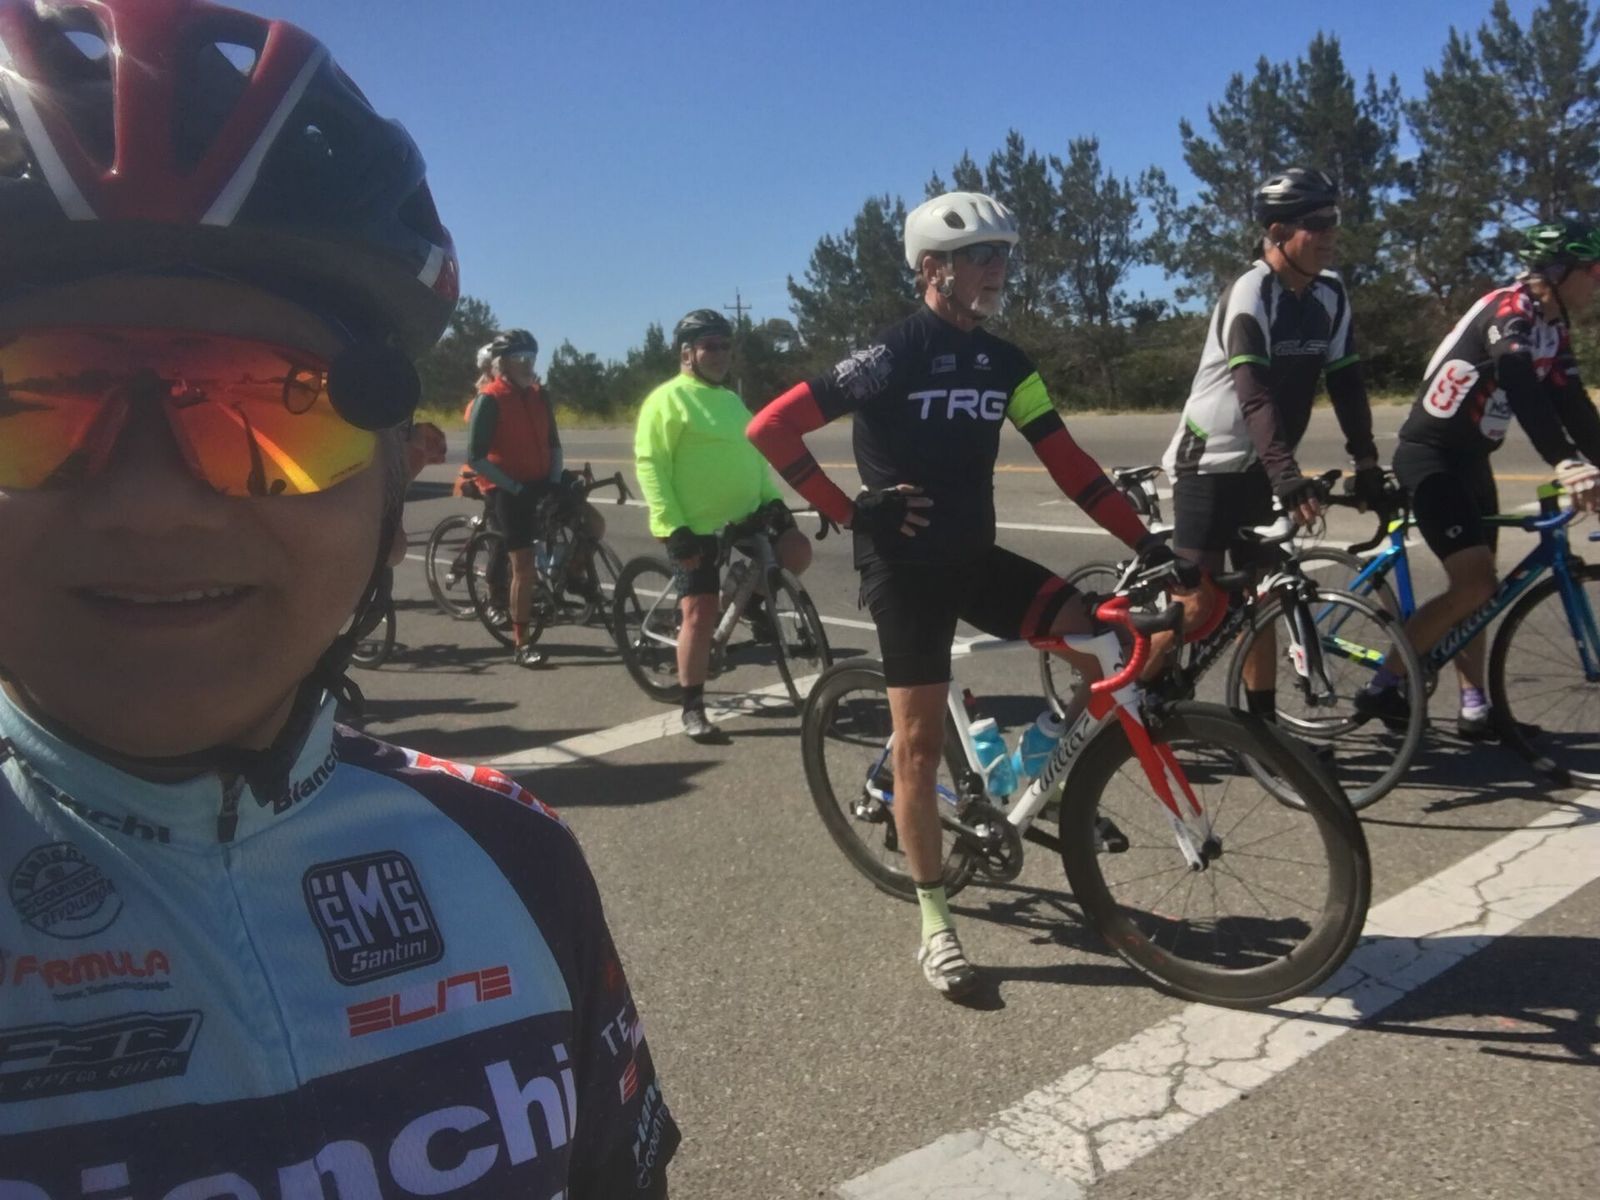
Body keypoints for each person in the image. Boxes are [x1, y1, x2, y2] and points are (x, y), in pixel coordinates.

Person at [0, 2, 678, 1192]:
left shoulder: (516, 857)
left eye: (278, 407)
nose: (152, 508)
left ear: (386, 491)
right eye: (34, 404)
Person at [747, 192, 1164, 999]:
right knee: (919, 743)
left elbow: (1068, 462)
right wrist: (849, 511)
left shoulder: (1007, 364)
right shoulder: (890, 354)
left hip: (973, 557)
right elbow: (770, 427)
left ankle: (1039, 763)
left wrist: (1145, 542)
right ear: (932, 268)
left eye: (1003, 253)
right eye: (981, 255)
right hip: (905, 570)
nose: (997, 268)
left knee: (1106, 647)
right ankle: (935, 922)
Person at [1160, 168, 1384, 732]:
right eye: (1318, 223)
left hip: (1264, 464)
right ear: (1279, 232)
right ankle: (1132, 707)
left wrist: (1367, 462)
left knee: (1262, 599)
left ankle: (1263, 732)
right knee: (1196, 605)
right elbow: (1253, 393)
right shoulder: (1250, 292)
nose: (1331, 232)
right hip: (1208, 463)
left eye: (1334, 219)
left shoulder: (1330, 294)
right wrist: (1287, 474)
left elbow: (1347, 383)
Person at [1356, 220, 1600, 737]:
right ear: (1560, 272)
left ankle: (1473, 706)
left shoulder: (1551, 327)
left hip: (1470, 460)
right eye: (1594, 271)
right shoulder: (1510, 312)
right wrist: (1564, 461)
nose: (1598, 283)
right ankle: (1382, 684)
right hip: (1430, 457)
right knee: (1475, 582)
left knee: (1481, 593)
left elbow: (1571, 403)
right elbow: (1521, 385)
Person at [634, 309, 812, 741]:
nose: (719, 354)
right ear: (687, 354)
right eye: (709, 346)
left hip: (743, 515)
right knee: (699, 612)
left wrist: (773, 502)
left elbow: (752, 459)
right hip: (693, 526)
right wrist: (673, 526)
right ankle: (692, 705)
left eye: (725, 345)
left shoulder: (732, 402)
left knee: (797, 550)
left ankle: (745, 599)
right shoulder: (666, 400)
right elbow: (651, 465)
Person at [467, 329, 577, 667]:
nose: (528, 364)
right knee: (523, 566)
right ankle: (521, 642)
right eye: (520, 358)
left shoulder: (539, 395)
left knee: (592, 525)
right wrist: (514, 488)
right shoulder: (490, 399)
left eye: (531, 357)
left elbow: (554, 444)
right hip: (508, 490)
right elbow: (476, 457)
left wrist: (555, 482)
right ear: (503, 363)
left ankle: (573, 584)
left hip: (542, 481)